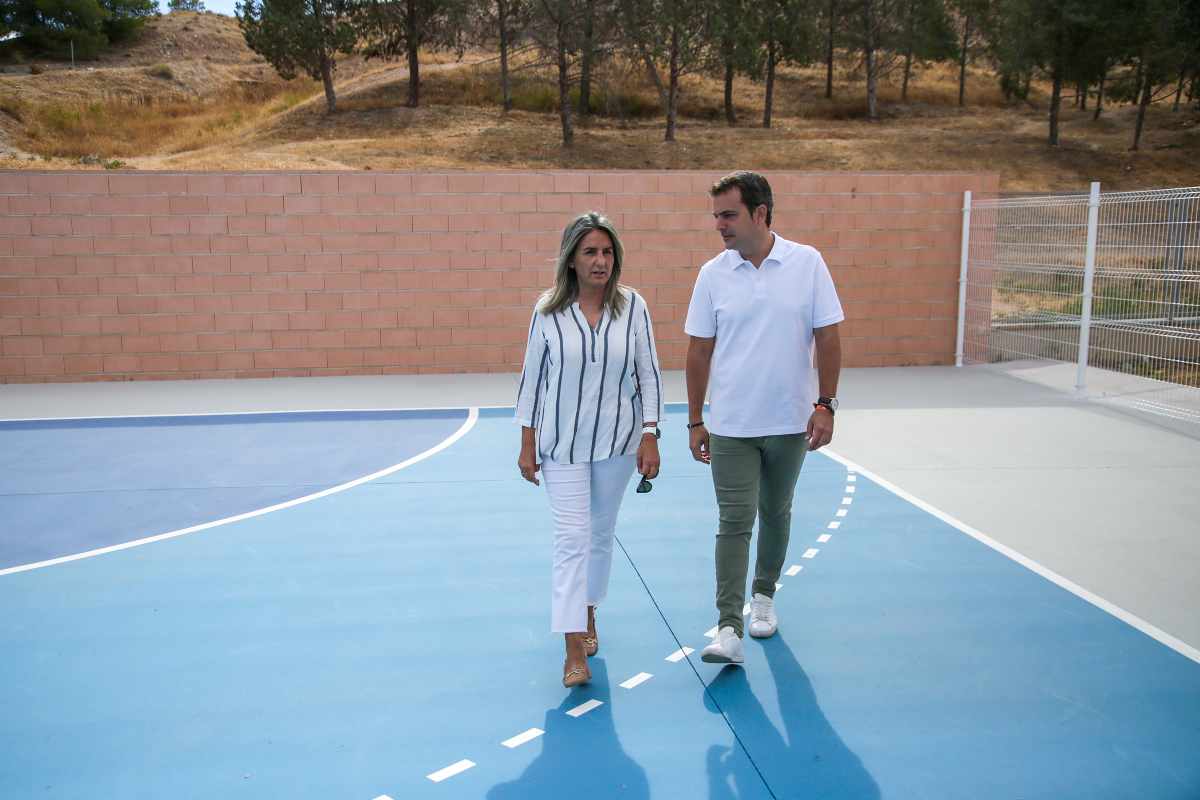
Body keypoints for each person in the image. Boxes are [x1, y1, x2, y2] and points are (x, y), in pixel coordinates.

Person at [684, 171, 844, 665]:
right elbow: (698, 351)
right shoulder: (712, 274)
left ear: (760, 213)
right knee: (734, 522)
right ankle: (728, 627)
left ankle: (765, 596)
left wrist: (826, 403)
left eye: (728, 215)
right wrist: (694, 421)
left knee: (775, 512)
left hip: (791, 423)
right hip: (731, 425)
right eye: (715, 216)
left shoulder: (807, 263)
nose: (720, 226)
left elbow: (829, 337)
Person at [515, 211, 663, 688]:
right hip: (562, 446)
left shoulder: (633, 306)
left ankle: (589, 609)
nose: (600, 261)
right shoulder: (547, 311)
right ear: (571, 260)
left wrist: (650, 433)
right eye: (590, 252)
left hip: (618, 444)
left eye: (607, 252)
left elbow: (649, 374)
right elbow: (532, 381)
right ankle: (573, 643)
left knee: (600, 535)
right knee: (571, 540)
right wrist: (527, 443)